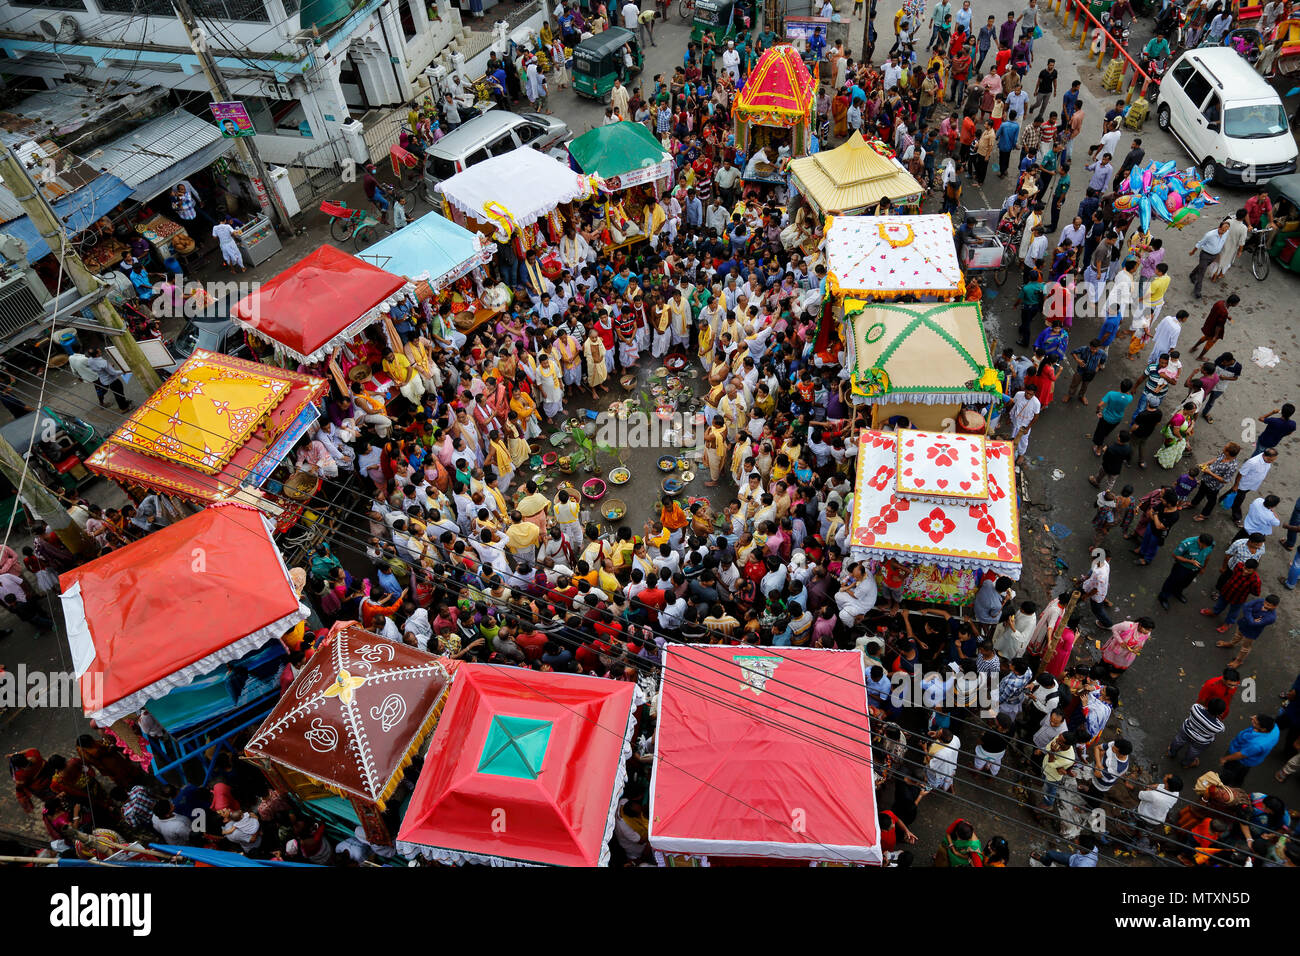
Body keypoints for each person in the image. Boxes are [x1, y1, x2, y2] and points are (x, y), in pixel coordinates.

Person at [1219, 713, 1280, 786]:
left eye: (1255, 722)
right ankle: (1237, 784)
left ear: (1263, 729)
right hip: (1251, 759)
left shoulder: (1257, 744)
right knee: (1241, 773)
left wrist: (1225, 758)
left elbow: (1241, 755)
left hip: (1240, 760)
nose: (1252, 720)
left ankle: (1222, 784)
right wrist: (1257, 718)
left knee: (1229, 772)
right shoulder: (1275, 727)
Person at [1169, 698, 1227, 770]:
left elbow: (1200, 706)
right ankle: (1186, 763)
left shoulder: (1195, 708)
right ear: (1220, 713)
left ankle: (1171, 752)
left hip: (1186, 730)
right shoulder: (1219, 727)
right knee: (1193, 751)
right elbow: (1221, 729)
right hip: (1201, 741)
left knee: (1178, 740)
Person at [1188, 220, 1231, 299]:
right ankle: (1197, 291)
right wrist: (1193, 252)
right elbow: (1200, 243)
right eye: (1223, 229)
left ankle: (1192, 274)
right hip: (1205, 255)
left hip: (1214, 256)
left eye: (1226, 229)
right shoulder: (1210, 235)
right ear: (1219, 227)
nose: (1224, 231)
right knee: (1201, 273)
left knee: (1201, 267)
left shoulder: (1226, 233)